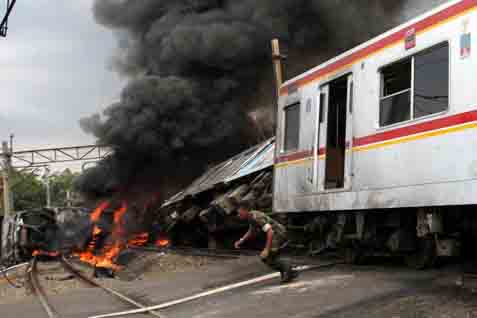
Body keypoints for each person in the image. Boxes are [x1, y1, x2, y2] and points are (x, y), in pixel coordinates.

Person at [233, 199, 299, 283]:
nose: (238, 215)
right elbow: (251, 230)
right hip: (275, 233)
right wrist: (241, 240)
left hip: (278, 234)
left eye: (239, 212)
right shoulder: (251, 217)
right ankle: (288, 272)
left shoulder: (256, 217)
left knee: (267, 256)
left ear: (245, 210)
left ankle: (288, 269)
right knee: (268, 257)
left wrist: (266, 249)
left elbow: (270, 231)